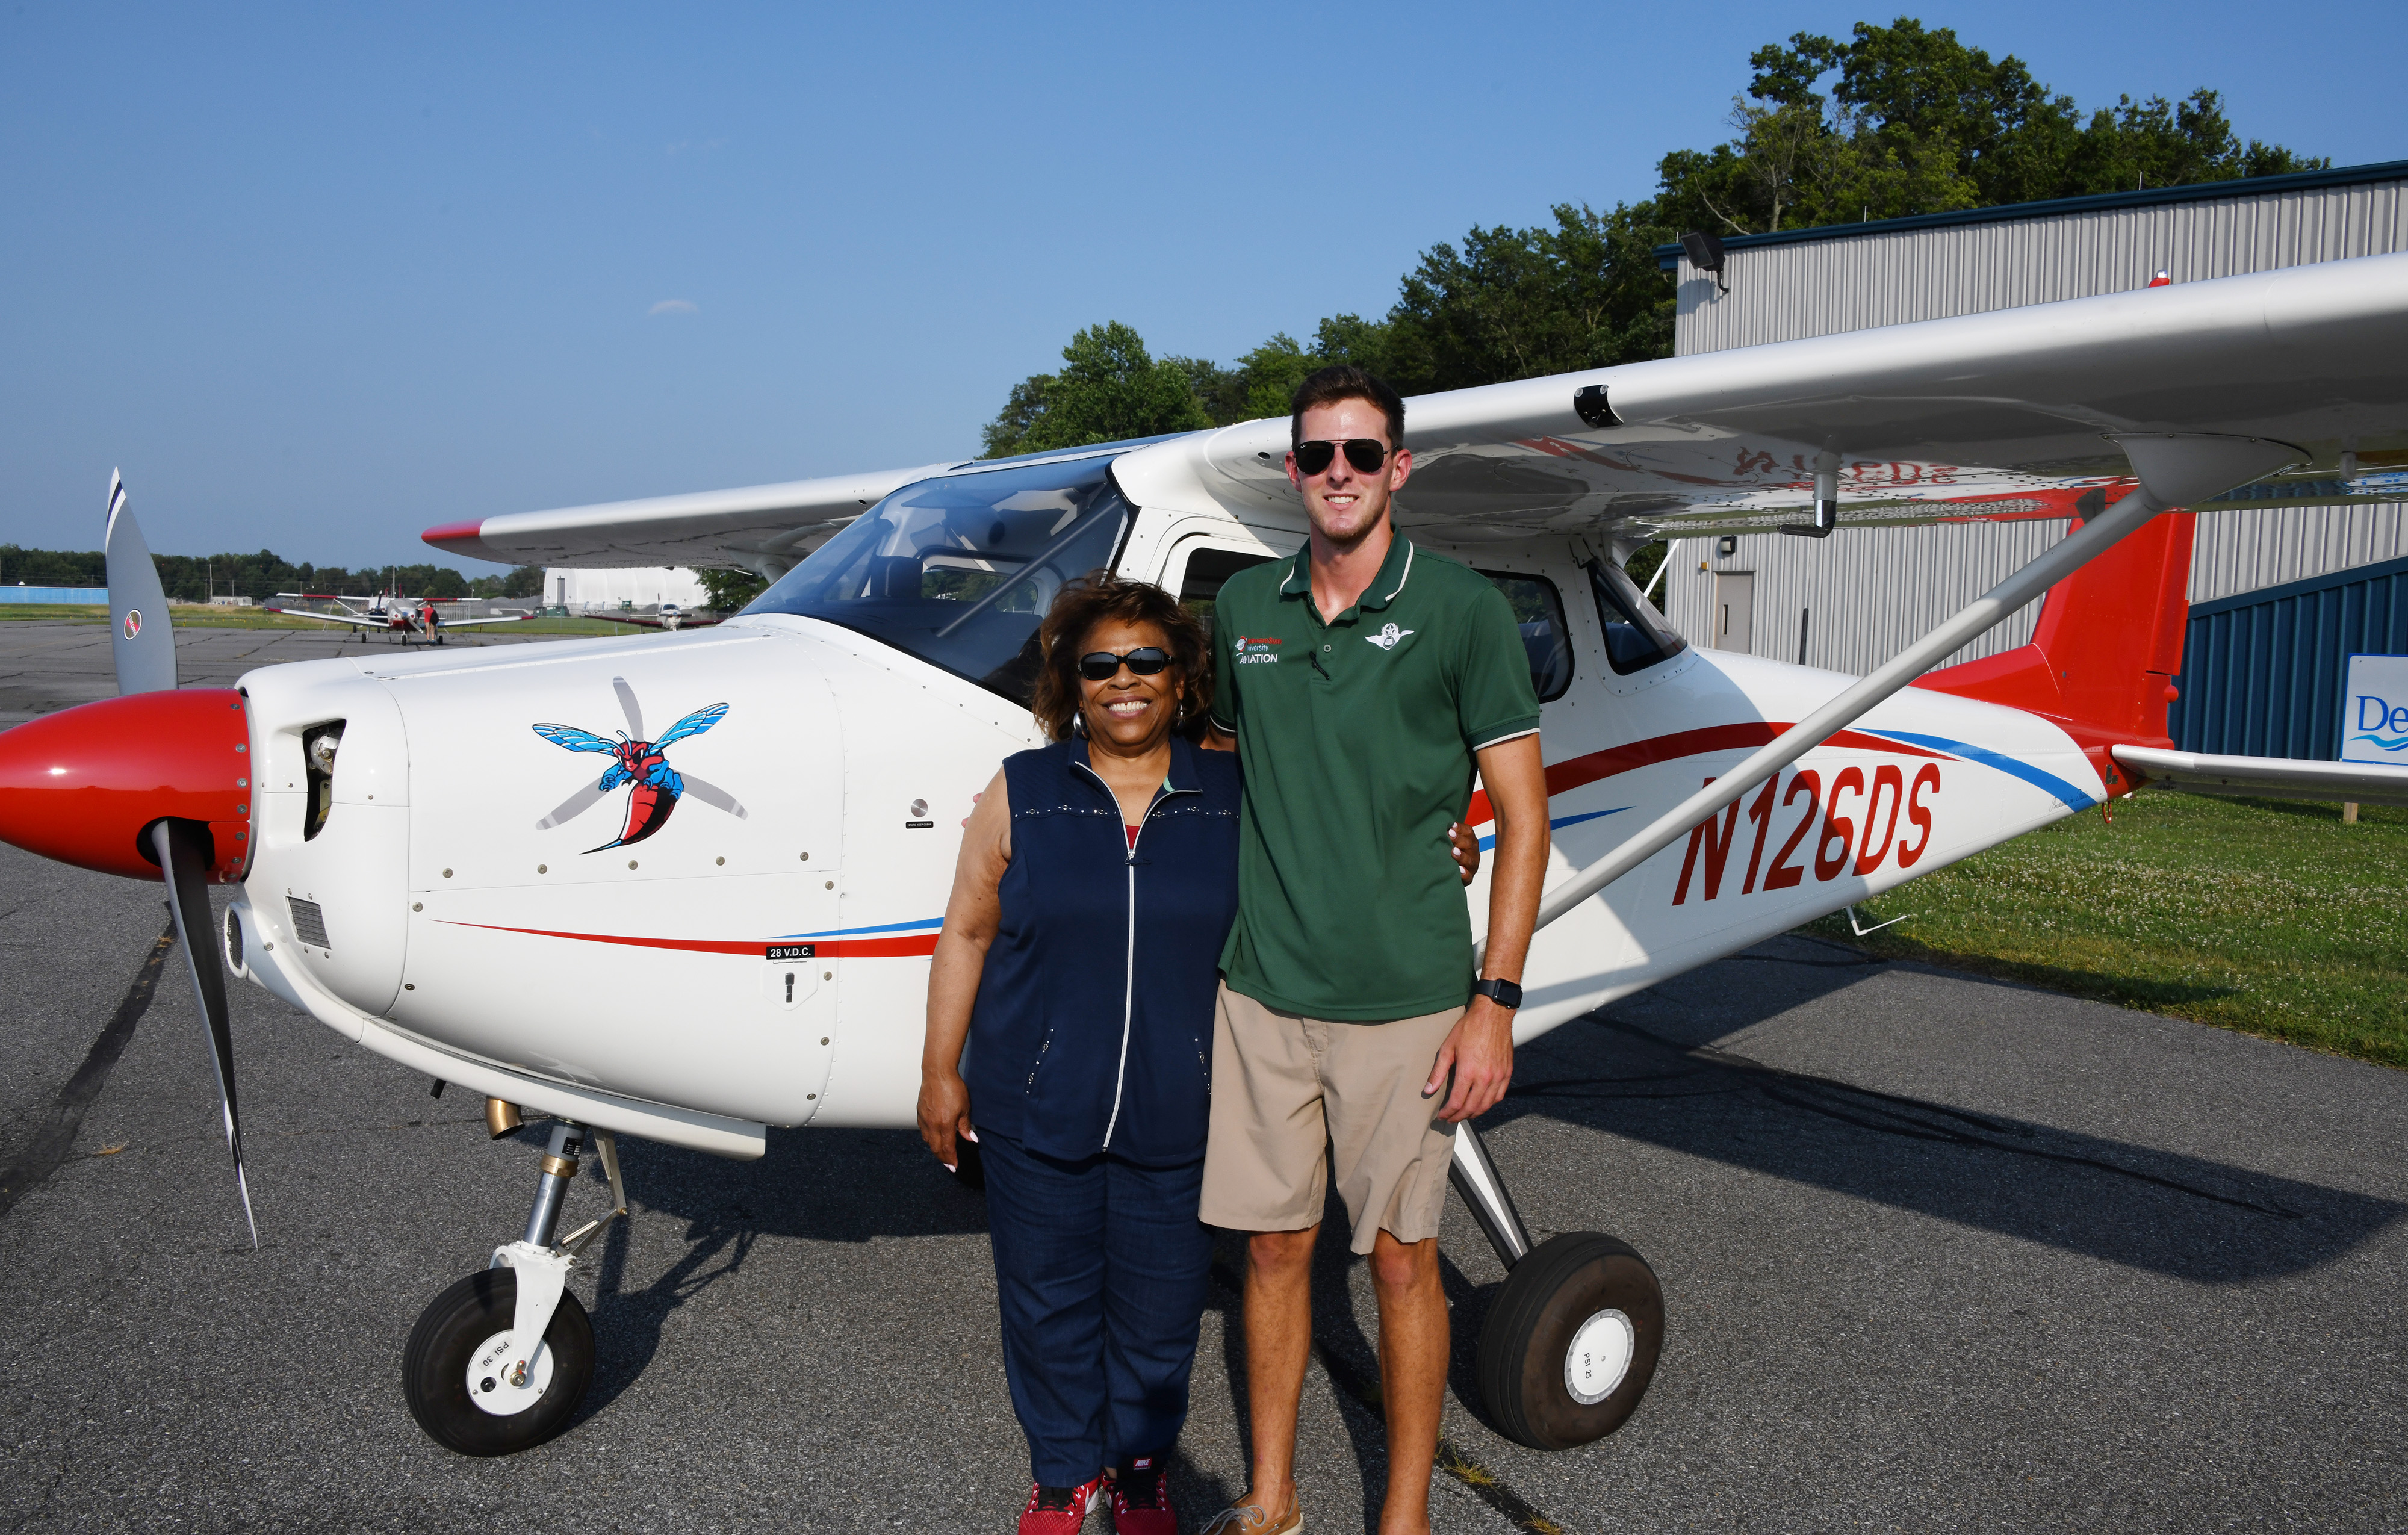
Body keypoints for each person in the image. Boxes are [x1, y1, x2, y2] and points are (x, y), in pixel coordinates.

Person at [922, 573, 1487, 1535]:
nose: (1125, 681)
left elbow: (1344, 821)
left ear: (1184, 679)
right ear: (1072, 682)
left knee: (1158, 1312)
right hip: (1034, 1099)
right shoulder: (1023, 791)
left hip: (1185, 1108)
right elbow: (965, 934)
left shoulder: (1235, 791)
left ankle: (1140, 1472)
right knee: (1045, 1306)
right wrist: (941, 1070)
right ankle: (1065, 1478)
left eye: (1148, 661)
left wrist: (1445, 832)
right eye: (1099, 665)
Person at [1199, 366, 1552, 1535]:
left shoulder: (1459, 610)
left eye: (1360, 454)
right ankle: (1271, 1499)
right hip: (1263, 992)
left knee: (1402, 1264)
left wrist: (1491, 1001)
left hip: (1406, 1000)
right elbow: (1231, 766)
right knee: (1268, 1257)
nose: (1336, 474)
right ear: (1291, 470)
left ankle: (1402, 1519)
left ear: (1397, 468)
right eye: (1315, 456)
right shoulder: (1243, 610)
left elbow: (1520, 810)